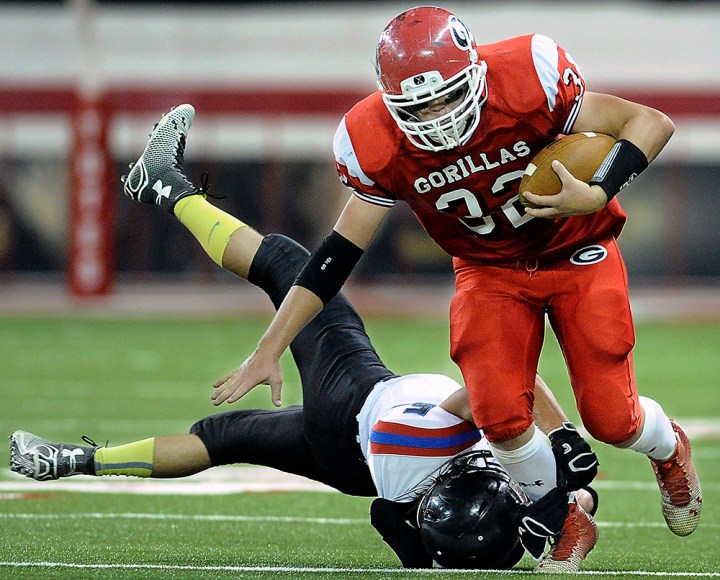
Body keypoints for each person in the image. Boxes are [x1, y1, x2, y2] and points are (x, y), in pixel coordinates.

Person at [129, 6, 701, 574]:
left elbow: (650, 123)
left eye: (448, 96)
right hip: (489, 269)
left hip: (577, 252)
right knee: (500, 414)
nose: (436, 115)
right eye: (417, 105)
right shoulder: (374, 138)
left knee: (610, 420)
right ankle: (564, 522)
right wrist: (270, 345)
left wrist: (599, 191)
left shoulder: (528, 75)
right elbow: (334, 258)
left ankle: (668, 446)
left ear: (475, 74)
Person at [9, 124, 599, 567]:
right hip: (355, 468)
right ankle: (70, 461)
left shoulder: (441, 439)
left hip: (354, 400)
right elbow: (394, 519)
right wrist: (571, 503)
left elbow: (505, 380)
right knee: (223, 439)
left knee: (292, 262)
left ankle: (166, 186)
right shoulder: (411, 511)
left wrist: (568, 460)